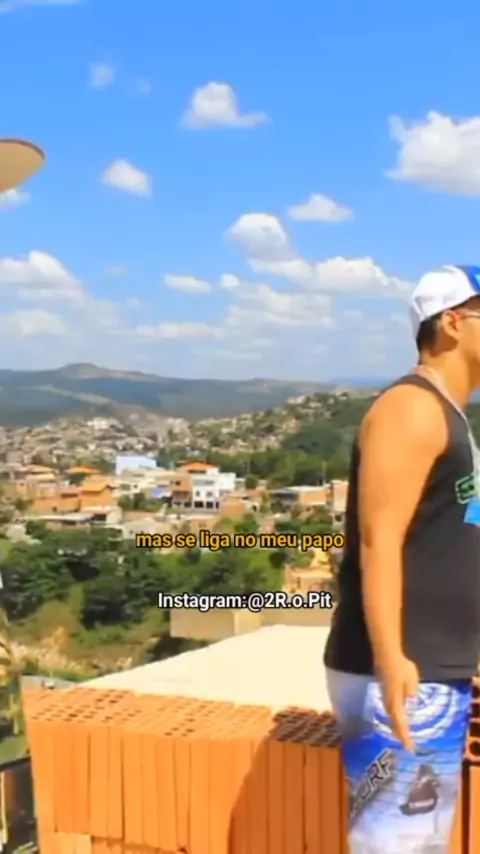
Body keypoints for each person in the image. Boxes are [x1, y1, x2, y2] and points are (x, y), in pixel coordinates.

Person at [324, 264, 480, 854]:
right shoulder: (412, 409)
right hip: (407, 673)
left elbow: (446, 538)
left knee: (421, 839)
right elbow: (378, 540)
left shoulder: (449, 413)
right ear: (453, 323)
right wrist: (391, 662)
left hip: (432, 667)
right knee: (399, 843)